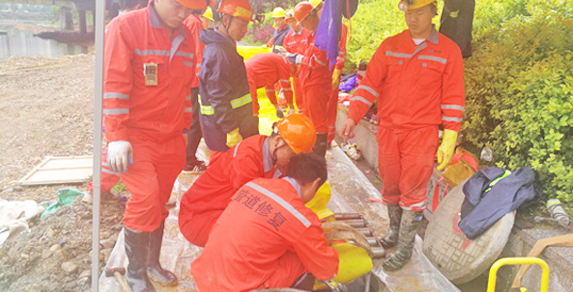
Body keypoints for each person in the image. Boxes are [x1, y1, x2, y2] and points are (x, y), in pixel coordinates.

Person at [339, 0, 465, 271]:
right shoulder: (390, 46)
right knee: (391, 185)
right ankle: (394, 232)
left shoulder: (448, 50)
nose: (413, 18)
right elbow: (369, 85)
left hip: (421, 133)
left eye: (420, 12)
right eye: (409, 12)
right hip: (388, 129)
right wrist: (352, 116)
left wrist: (450, 138)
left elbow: (453, 98)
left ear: (433, 11)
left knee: (414, 189)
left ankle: (406, 246)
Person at [103, 0, 207, 290]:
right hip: (136, 137)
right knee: (146, 199)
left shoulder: (186, 36)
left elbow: (186, 91)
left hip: (172, 138)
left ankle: (151, 263)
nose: (184, 15)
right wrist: (116, 137)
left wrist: (185, 130)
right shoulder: (126, 28)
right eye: (178, 6)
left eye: (190, 10)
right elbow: (113, 85)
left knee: (159, 202)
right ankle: (135, 274)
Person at [191, 153, 339, 292]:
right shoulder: (300, 217)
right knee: (304, 260)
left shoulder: (253, 185)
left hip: (205, 277)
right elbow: (326, 269)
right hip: (234, 287)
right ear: (315, 184)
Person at [179, 115, 317, 247]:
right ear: (278, 141)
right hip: (198, 218)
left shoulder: (272, 153)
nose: (293, 161)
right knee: (262, 236)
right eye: (293, 154)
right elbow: (253, 209)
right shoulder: (246, 159)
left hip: (220, 210)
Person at [198, 0, 260, 153]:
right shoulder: (219, 53)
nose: (245, 31)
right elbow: (219, 98)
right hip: (225, 134)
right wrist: (231, 131)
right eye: (242, 25)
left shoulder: (224, 48)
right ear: (226, 20)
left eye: (247, 25)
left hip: (231, 127)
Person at [289, 1, 331, 157]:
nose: (303, 26)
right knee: (309, 119)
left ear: (310, 17)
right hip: (309, 82)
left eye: (303, 22)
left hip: (318, 84)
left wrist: (299, 59)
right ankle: (311, 152)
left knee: (318, 121)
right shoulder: (313, 33)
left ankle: (318, 156)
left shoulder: (322, 34)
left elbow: (319, 61)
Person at [182, 2, 215, 172]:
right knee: (197, 121)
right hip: (195, 82)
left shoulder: (186, 20)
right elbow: (199, 54)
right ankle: (187, 160)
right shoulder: (195, 23)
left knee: (189, 120)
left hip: (188, 80)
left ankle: (186, 157)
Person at [309, 0, 348, 144]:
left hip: (332, 72)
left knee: (330, 106)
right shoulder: (323, 26)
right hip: (323, 73)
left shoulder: (338, 26)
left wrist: (337, 70)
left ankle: (328, 139)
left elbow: (341, 51)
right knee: (321, 107)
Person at [245, 52, 296, 119]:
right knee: (253, 107)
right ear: (293, 65)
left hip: (246, 72)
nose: (291, 75)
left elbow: (269, 89)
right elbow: (286, 87)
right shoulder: (284, 63)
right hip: (249, 75)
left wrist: (277, 108)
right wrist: (292, 107)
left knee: (249, 105)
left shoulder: (270, 68)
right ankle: (252, 125)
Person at [282, 9, 310, 115]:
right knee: (298, 96)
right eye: (289, 22)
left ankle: (309, 117)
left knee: (308, 96)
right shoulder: (288, 37)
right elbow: (285, 54)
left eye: (293, 21)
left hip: (308, 72)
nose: (292, 24)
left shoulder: (308, 33)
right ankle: (302, 117)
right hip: (296, 74)